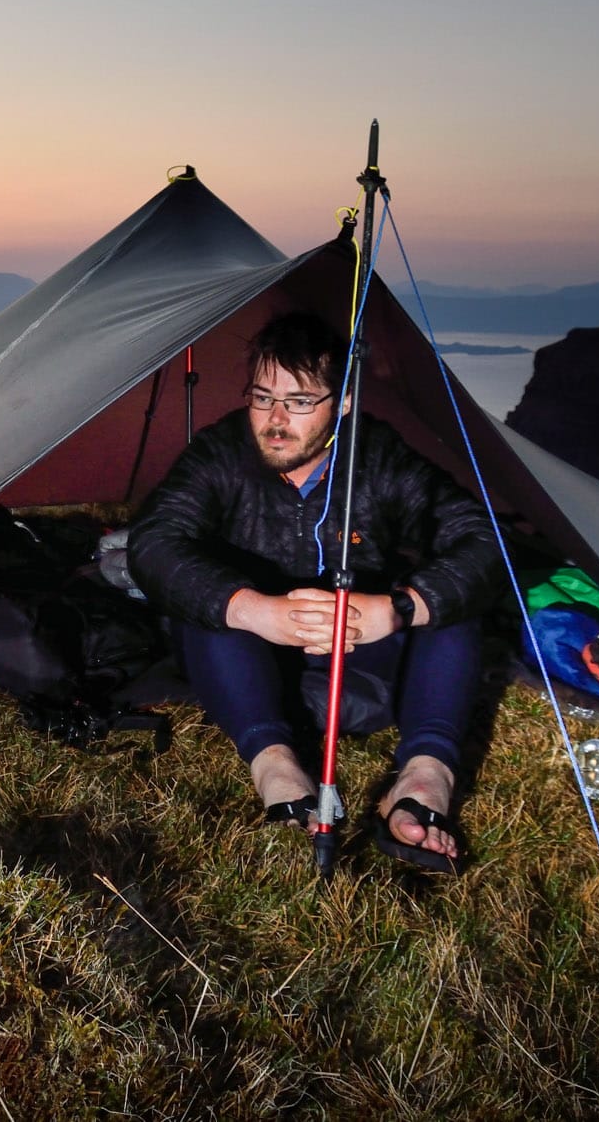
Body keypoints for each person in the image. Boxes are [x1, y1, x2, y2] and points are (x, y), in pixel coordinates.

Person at [126, 311, 503, 872]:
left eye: (300, 402)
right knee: (208, 605)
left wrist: (397, 609)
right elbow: (154, 542)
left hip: (364, 661)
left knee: (449, 608)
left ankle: (424, 782)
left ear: (342, 403)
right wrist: (253, 610)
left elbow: (483, 541)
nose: (275, 420)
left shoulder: (377, 458)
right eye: (262, 398)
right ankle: (279, 771)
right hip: (254, 669)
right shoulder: (220, 453)